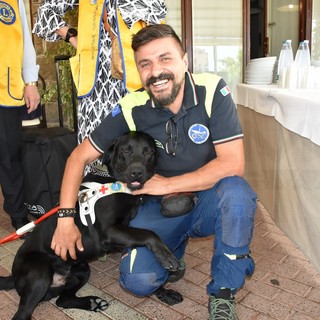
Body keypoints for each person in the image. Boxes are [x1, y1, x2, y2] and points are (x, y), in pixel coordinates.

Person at [51, 24, 257, 319]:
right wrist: (65, 219)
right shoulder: (133, 106)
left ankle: (224, 288)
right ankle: (177, 249)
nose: (156, 71)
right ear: (138, 71)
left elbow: (233, 164)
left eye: (165, 58)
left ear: (184, 61)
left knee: (237, 193)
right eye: (145, 64)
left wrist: (168, 183)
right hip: (161, 207)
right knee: (138, 281)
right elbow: (77, 157)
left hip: (208, 201)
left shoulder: (212, 91)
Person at [33, 0, 167, 172]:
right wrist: (73, 37)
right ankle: (93, 197)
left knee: (140, 152)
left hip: (135, 84)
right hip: (96, 88)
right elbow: (45, 12)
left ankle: (141, 197)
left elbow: (157, 14)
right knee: (92, 161)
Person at [0, 0, 40, 230]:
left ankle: (17, 213)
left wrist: (31, 81)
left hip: (5, 88)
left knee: (9, 155)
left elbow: (25, 40)